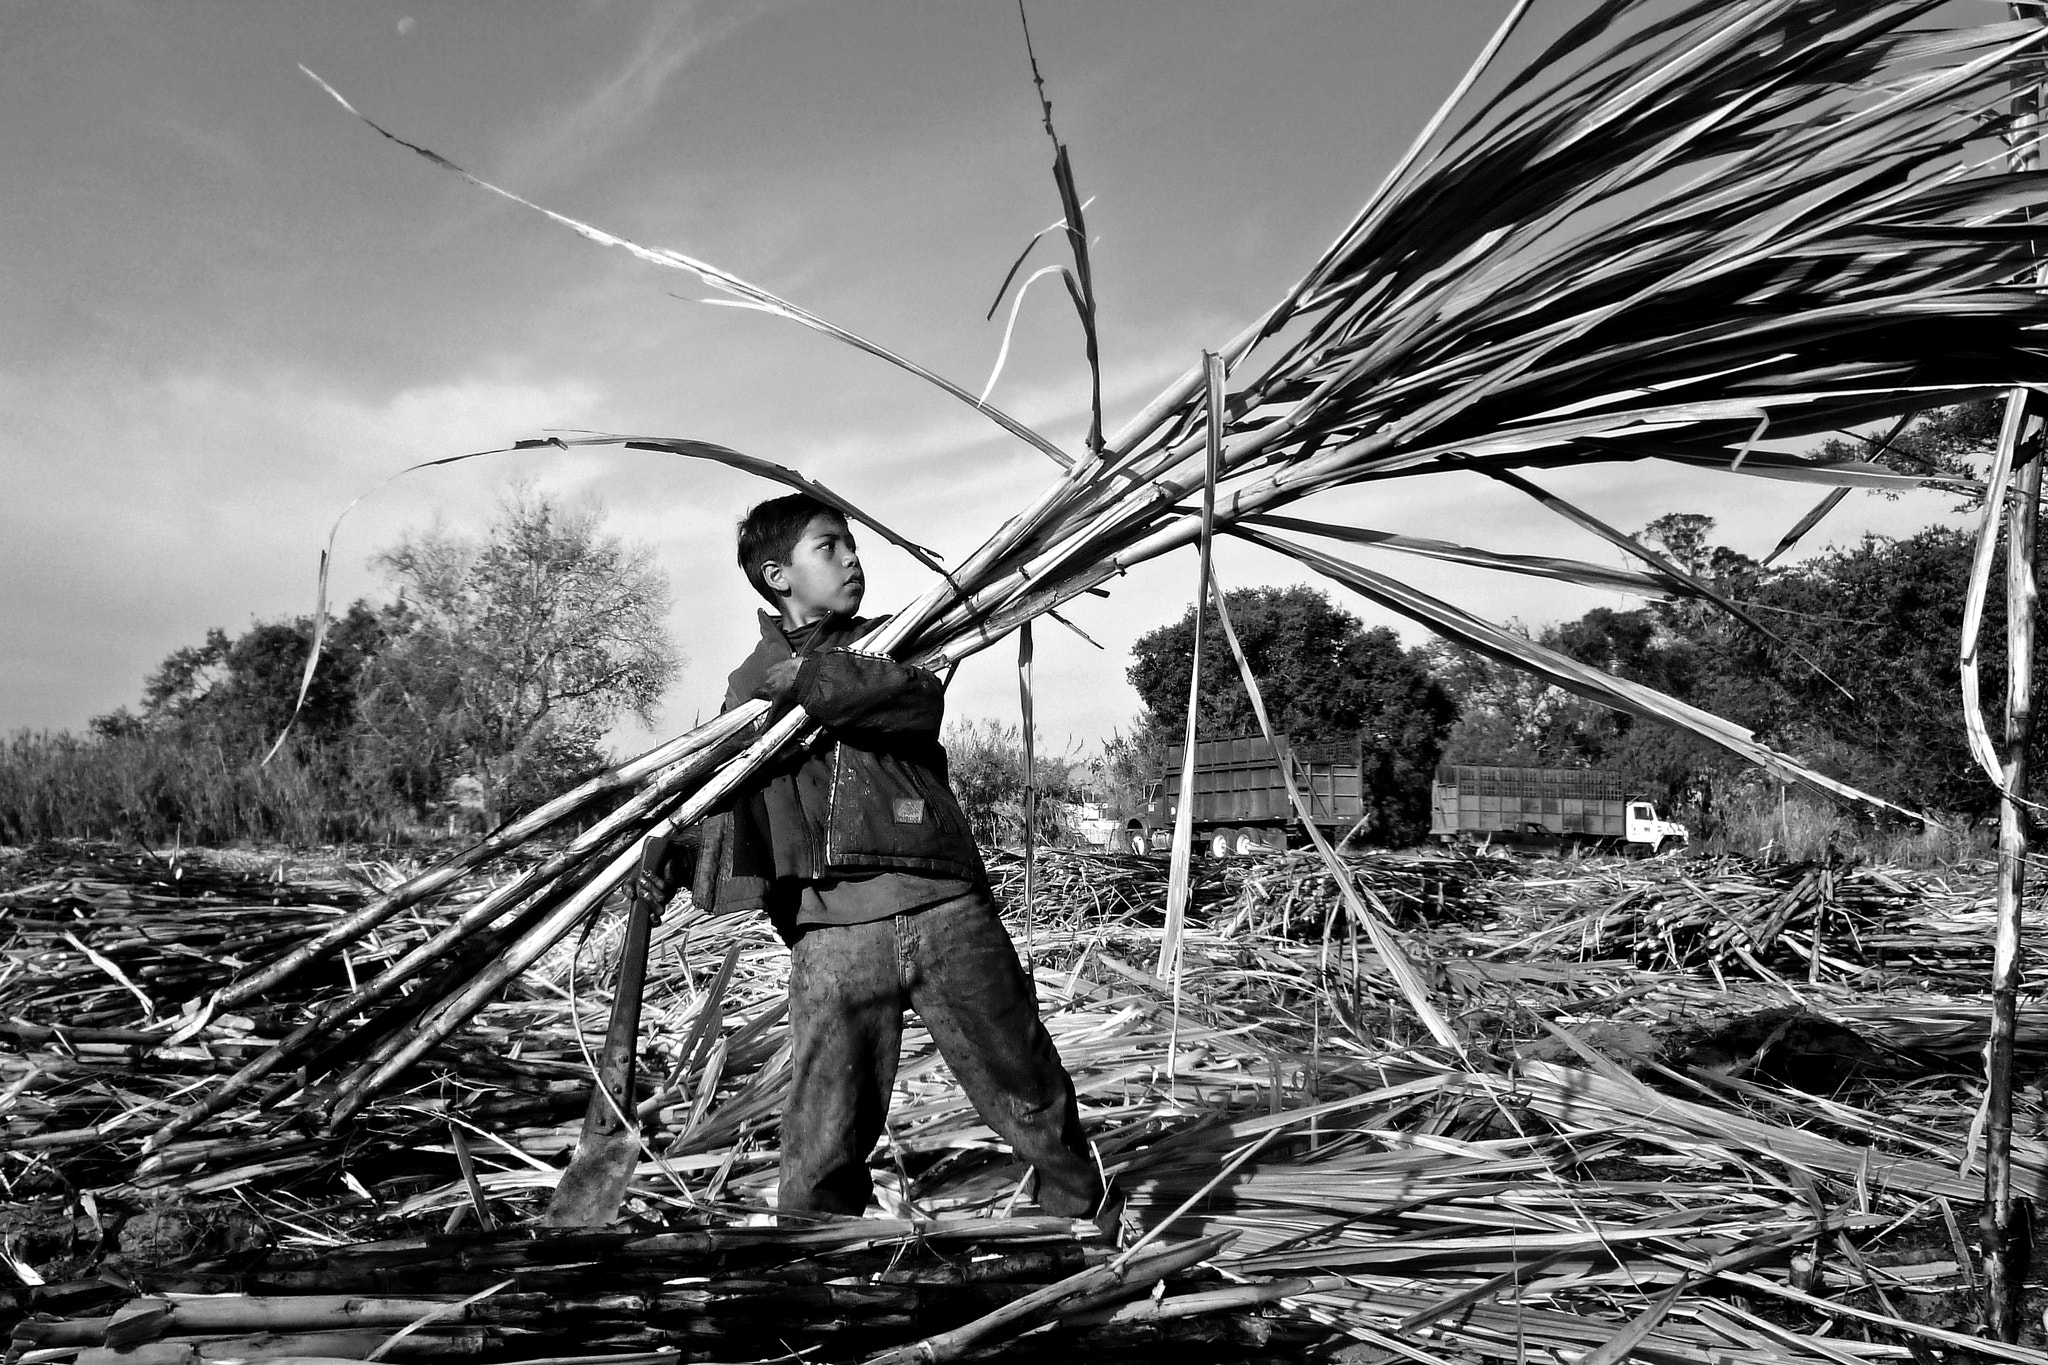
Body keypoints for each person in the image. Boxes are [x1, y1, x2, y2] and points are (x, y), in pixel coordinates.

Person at [673, 492, 1118, 1232]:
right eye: (830, 546)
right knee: (826, 1124)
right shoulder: (749, 685)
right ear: (778, 576)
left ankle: (1083, 1227)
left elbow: (916, 702)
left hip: (944, 905)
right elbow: (731, 801)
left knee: (1026, 1082)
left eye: (853, 543)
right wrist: (675, 850)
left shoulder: (893, 642)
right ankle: (812, 1269)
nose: (852, 558)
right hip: (835, 934)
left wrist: (815, 680)